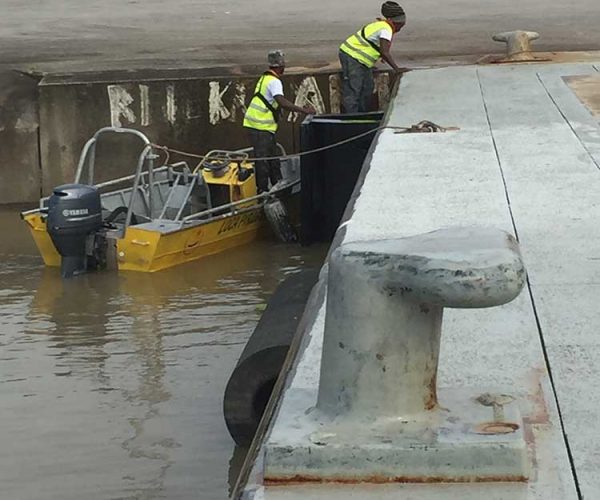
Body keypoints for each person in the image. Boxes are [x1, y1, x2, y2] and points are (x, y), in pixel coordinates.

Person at [243, 50, 316, 193]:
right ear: (281, 66)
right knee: (263, 160)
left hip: (259, 126)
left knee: (273, 157)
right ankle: (262, 191)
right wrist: (303, 110)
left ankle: (278, 184)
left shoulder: (265, 78)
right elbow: (281, 102)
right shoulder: (274, 82)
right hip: (260, 126)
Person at [338, 1, 406, 113]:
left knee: (367, 88)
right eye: (399, 26)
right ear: (392, 22)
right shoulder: (386, 29)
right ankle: (351, 118)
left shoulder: (382, 25)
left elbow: (378, 46)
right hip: (352, 56)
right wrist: (397, 69)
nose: (399, 29)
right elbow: (384, 52)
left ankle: (362, 114)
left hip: (361, 60)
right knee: (354, 88)